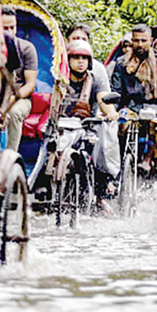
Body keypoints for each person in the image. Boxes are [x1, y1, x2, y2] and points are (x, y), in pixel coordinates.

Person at [61, 40, 119, 206]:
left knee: (100, 147)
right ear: (68, 60)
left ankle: (101, 193)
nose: (80, 62)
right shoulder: (59, 79)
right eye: (76, 57)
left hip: (87, 126)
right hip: (61, 127)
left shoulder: (95, 79)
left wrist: (110, 113)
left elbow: (103, 98)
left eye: (84, 58)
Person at [0, 6, 37, 151]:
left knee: (13, 113)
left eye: (12, 27)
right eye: (5, 28)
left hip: (20, 98)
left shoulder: (26, 48)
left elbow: (30, 84)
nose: (9, 32)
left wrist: (14, 98)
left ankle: (9, 157)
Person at [111, 23, 157, 113]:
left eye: (143, 40)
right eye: (136, 41)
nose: (140, 44)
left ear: (150, 41)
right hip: (129, 109)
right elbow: (117, 92)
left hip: (155, 110)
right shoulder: (122, 63)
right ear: (132, 41)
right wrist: (112, 111)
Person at [65, 23, 112, 111]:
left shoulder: (98, 68)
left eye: (83, 39)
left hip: (89, 120)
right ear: (66, 41)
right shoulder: (56, 68)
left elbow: (103, 95)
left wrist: (110, 112)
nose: (80, 61)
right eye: (75, 39)